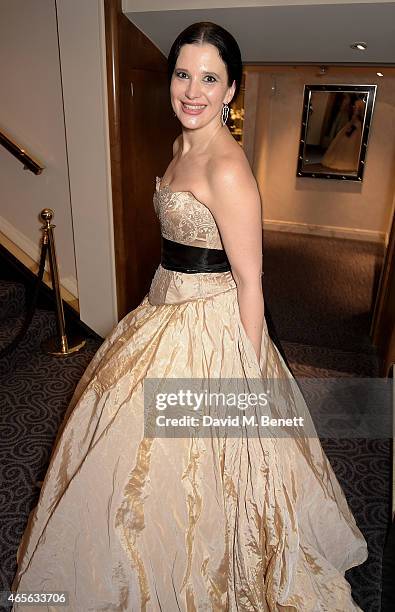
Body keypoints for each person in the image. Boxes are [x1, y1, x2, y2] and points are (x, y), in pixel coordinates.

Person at [11, 22, 368, 611]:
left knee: (196, 474)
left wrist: (248, 379)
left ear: (231, 90)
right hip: (160, 309)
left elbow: (252, 281)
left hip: (211, 329)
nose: (192, 91)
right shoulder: (182, 145)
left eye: (210, 78)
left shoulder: (227, 169)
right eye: (183, 74)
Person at [322, 98, 365, 172]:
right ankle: (353, 161)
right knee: (355, 144)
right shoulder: (364, 104)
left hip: (354, 123)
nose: (353, 107)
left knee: (345, 141)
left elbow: (355, 114)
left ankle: (341, 160)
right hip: (359, 125)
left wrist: (350, 124)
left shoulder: (358, 102)